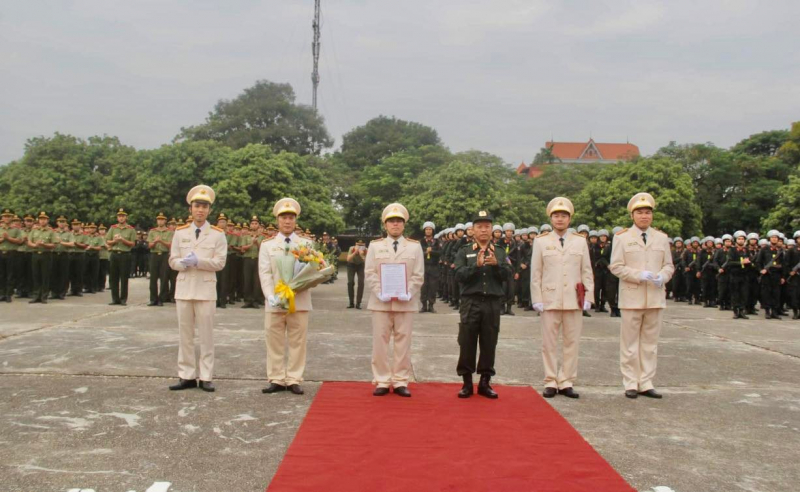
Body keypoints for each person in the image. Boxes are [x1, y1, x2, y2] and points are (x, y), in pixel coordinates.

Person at [609, 192, 674, 399]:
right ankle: (630, 382)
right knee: (629, 343)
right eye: (640, 213)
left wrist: (663, 277)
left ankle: (646, 381)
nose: (644, 216)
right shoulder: (622, 237)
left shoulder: (662, 238)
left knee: (649, 344)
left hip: (655, 296)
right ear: (632, 216)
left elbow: (669, 265)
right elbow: (616, 267)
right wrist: (639, 275)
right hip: (632, 297)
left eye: (647, 213)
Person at [530, 197, 594, 399]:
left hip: (574, 299)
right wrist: (536, 298)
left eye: (564, 216)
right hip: (549, 298)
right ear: (550, 218)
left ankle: (566, 381)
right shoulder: (541, 241)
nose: (560, 219)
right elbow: (536, 273)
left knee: (571, 342)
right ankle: (550, 379)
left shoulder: (580, 241)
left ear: (570, 218)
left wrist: (589, 296)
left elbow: (586, 271)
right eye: (556, 216)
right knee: (548, 343)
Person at [168, 185, 227, 392]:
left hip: (205, 290)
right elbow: (172, 260)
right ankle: (186, 375)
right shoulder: (180, 232)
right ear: (190, 209)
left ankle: (206, 376)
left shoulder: (217, 234)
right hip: (184, 289)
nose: (200, 210)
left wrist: (198, 261)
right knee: (185, 335)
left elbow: (220, 263)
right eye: (196, 206)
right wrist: (182, 263)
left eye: (204, 206)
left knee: (206, 336)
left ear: (209, 210)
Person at [364, 203, 424, 397]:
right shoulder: (375, 246)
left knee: (403, 342)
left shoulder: (414, 247)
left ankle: (399, 381)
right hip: (381, 302)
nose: (395, 225)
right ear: (385, 225)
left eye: (399, 221)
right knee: (380, 342)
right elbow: (370, 272)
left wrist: (409, 291)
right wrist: (380, 291)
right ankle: (381, 380)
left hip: (405, 302)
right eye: (391, 221)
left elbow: (418, 274)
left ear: (404, 224)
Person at [454, 210, 512, 399]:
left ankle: (485, 382)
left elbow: (508, 275)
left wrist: (497, 265)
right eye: (480, 227)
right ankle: (467, 383)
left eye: (487, 226)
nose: (484, 230)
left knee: (489, 342)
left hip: (492, 303)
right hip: (471, 302)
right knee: (467, 342)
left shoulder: (501, 252)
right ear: (472, 230)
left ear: (492, 229)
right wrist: (475, 266)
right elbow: (459, 275)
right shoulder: (464, 251)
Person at [259, 198, 314, 395]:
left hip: (299, 301)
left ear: (296, 220)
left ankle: (294, 378)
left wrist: (302, 285)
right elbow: (265, 274)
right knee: (274, 340)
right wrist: (269, 296)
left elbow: (313, 273)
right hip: (275, 301)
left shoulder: (307, 244)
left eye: (291, 217)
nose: (287, 221)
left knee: (298, 341)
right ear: (277, 220)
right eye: (284, 217)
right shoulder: (267, 245)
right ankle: (276, 378)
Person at [105, 208, 137, 306]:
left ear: (126, 217)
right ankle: (115, 299)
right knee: (113, 277)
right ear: (117, 218)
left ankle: (123, 299)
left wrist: (123, 240)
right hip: (114, 254)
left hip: (125, 254)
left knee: (124, 277)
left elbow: (132, 244)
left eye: (123, 216)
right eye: (119, 216)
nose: (121, 218)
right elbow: (108, 241)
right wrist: (114, 241)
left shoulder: (131, 229)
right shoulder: (113, 228)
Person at [28, 211, 57, 303]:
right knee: (36, 275)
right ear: (38, 220)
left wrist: (44, 245)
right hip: (36, 254)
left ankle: (44, 296)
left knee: (45, 275)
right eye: (41, 219)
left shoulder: (51, 232)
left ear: (47, 220)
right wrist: (35, 245)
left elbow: (54, 245)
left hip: (46, 255)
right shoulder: (34, 231)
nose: (42, 221)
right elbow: (29, 242)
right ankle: (36, 295)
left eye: (44, 219)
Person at [147, 212, 172, 306]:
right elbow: (149, 245)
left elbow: (170, 245)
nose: (160, 221)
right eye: (158, 219)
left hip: (165, 255)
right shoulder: (153, 231)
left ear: (165, 221)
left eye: (162, 219)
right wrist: (155, 242)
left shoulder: (170, 231)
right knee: (153, 278)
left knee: (164, 277)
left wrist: (160, 241)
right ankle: (153, 299)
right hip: (154, 254)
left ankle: (162, 298)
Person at [0, 209, 24, 302]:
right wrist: (3, 239)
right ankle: (2, 293)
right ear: (2, 217)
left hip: (11, 253)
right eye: (5, 216)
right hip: (1, 251)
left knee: (10, 274)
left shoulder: (16, 230)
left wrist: (9, 238)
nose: (6, 218)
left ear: (12, 218)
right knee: (1, 274)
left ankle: (8, 294)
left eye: (9, 216)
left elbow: (19, 241)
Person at [420, 221, 441, 313]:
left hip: (433, 267)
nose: (428, 231)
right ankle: (424, 305)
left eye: (430, 229)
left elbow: (440, 253)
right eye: (427, 229)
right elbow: (418, 254)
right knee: (424, 286)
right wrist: (426, 252)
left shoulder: (437, 242)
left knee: (433, 286)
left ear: (433, 231)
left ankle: (431, 305)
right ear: (424, 231)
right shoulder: (421, 242)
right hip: (424, 266)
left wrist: (431, 251)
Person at [346, 239, 367, 309]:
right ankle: (351, 302)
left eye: (362, 245)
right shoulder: (351, 248)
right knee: (350, 282)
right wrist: (355, 252)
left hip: (360, 265)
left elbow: (367, 261)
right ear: (355, 244)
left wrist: (362, 255)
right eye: (358, 245)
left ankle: (358, 303)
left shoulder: (365, 250)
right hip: (351, 265)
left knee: (361, 282)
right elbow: (348, 259)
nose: (360, 247)